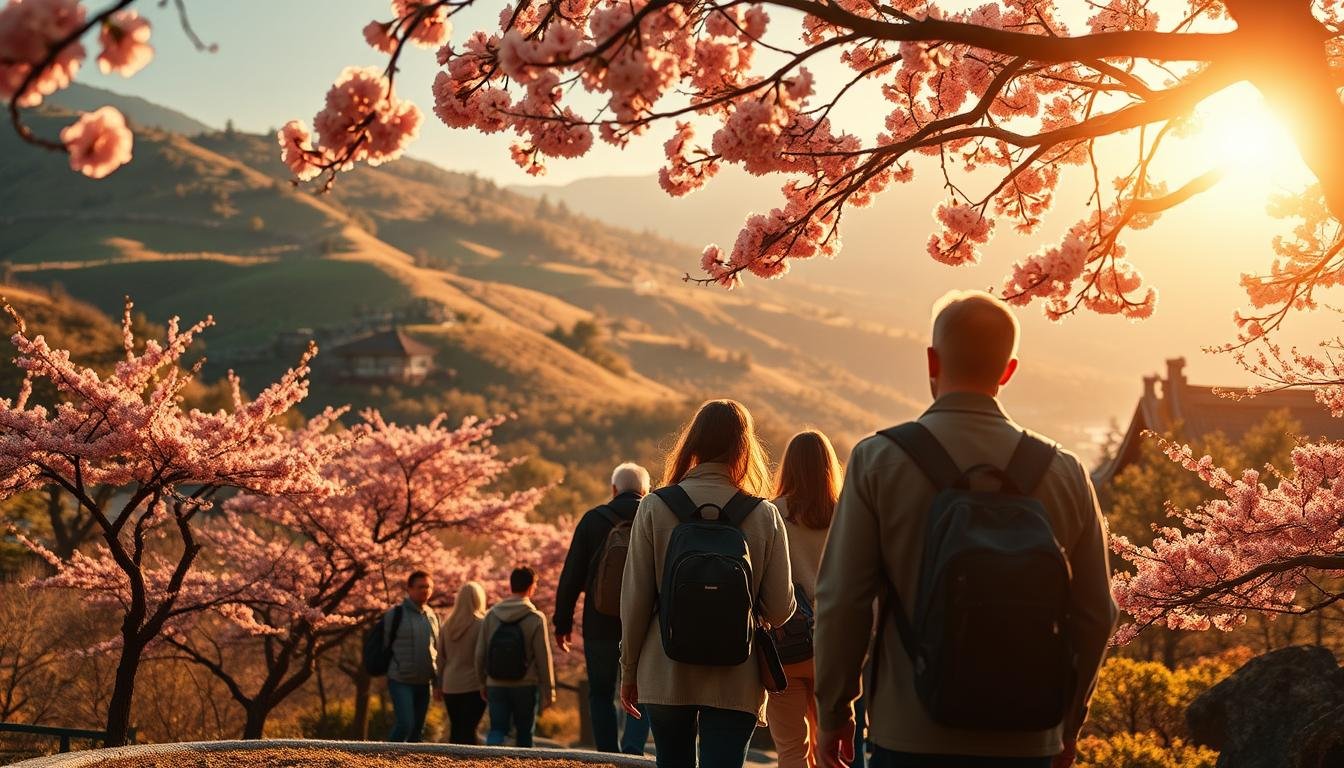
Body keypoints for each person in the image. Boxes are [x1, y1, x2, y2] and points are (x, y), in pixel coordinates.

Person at [814, 290, 1118, 768]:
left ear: (932, 361)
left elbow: (842, 602)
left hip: (909, 730)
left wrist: (834, 711)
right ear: (1008, 370)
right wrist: (1068, 721)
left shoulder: (879, 461)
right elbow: (1096, 613)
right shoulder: (1065, 472)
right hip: (1029, 734)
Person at [619, 399, 796, 768]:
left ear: (693, 442)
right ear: (744, 447)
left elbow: (634, 602)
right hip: (736, 676)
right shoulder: (764, 515)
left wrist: (629, 672)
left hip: (665, 669)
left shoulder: (654, 507)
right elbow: (780, 609)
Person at [553, 462, 654, 754]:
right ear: (645, 491)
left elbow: (571, 575)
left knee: (600, 692)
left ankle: (608, 753)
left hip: (599, 623)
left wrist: (562, 623)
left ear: (613, 489)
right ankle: (633, 750)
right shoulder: (654, 517)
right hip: (644, 623)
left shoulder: (593, 520)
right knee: (642, 689)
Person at [767, 430, 843, 768]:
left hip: (786, 646)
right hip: (834, 649)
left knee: (791, 751)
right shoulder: (845, 515)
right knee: (833, 750)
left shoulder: (771, 514)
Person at [477, 566, 556, 747]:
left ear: (511, 585)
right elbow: (543, 657)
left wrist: (482, 682)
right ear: (531, 587)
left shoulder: (492, 615)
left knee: (497, 729)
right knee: (524, 732)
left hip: (495, 683)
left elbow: (480, 652)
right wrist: (548, 690)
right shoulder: (535, 617)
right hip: (525, 684)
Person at [385, 570, 441, 743]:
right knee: (405, 724)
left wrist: (438, 681)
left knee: (418, 730)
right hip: (400, 679)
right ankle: (384, 758)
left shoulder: (433, 615)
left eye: (428, 587)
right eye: (420, 587)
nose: (425, 590)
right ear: (409, 589)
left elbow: (437, 649)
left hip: (425, 682)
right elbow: (384, 645)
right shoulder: (395, 614)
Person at [438, 581, 488, 744]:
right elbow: (482, 656)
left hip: (450, 684)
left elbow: (440, 657)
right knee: (469, 729)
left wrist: (439, 684)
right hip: (473, 684)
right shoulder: (481, 624)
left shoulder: (446, 625)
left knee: (456, 728)